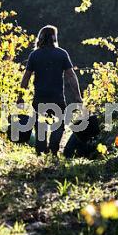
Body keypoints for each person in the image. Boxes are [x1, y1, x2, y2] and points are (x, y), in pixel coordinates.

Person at [18, 25, 82, 155]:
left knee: (40, 125)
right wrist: (78, 96)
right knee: (58, 125)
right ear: (54, 37)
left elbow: (26, 78)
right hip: (56, 97)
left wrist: (20, 96)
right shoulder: (62, 54)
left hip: (40, 97)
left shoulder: (34, 55)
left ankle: (41, 151)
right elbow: (71, 76)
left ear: (40, 37)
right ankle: (53, 149)